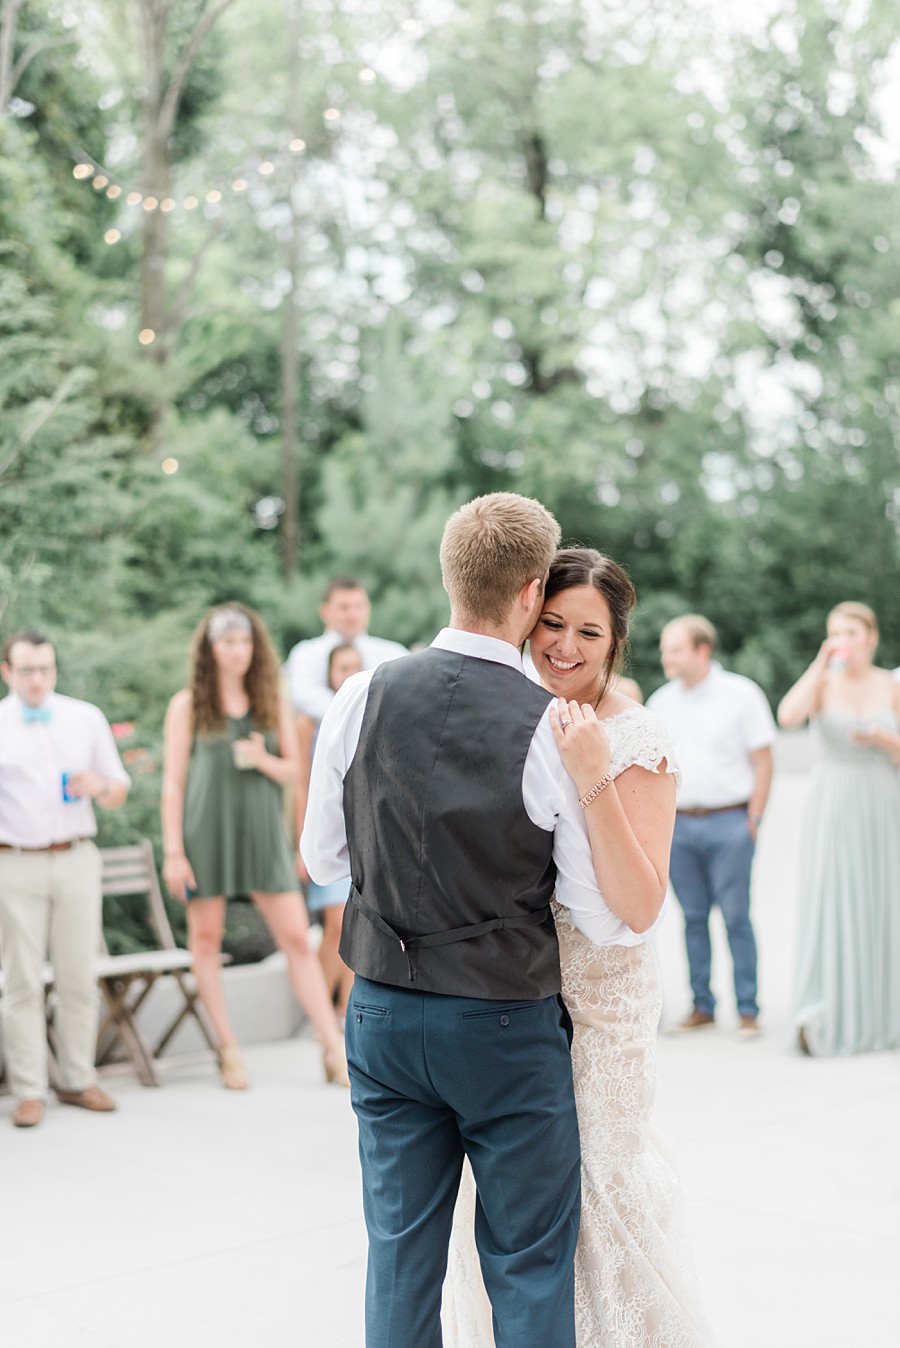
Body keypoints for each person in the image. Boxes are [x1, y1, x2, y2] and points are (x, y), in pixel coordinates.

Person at [303, 493, 632, 1348]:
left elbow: (323, 862)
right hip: (500, 1030)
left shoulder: (362, 691)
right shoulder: (550, 729)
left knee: (400, 1257)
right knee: (526, 1263)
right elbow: (598, 915)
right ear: (531, 594)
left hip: (377, 1009)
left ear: (450, 576)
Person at [443, 548, 714, 1348]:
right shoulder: (512, 714)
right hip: (513, 1002)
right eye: (552, 623)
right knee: (507, 1199)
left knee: (601, 1191)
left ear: (616, 638)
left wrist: (591, 771)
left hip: (603, 1007)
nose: (564, 645)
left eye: (588, 632)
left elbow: (638, 905)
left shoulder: (636, 736)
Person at [161, 603, 347, 1091]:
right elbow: (174, 785)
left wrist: (263, 761)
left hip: (263, 836)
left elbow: (295, 773)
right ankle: (227, 1047)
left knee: (295, 940)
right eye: (227, 641)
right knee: (204, 941)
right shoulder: (188, 705)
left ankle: (332, 1046)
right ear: (210, 648)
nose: (237, 651)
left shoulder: (271, 701)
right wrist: (174, 851)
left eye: (244, 641)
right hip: (207, 835)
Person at [0, 630, 130, 1129]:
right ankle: (29, 1090)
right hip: (14, 863)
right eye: (27, 669)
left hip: (76, 857)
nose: (37, 679)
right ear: (8, 671)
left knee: (79, 974)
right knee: (22, 981)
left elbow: (119, 788)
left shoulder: (84, 717)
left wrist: (100, 787)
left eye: (45, 669)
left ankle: (77, 1079)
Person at [777, 601, 900, 1056]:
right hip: (834, 799)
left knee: (882, 898)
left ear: (871, 636)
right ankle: (825, 1008)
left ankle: (883, 1012)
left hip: (882, 801)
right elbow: (787, 716)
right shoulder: (823, 683)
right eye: (834, 633)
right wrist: (819, 662)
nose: (841, 640)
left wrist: (881, 737)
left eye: (850, 631)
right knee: (837, 897)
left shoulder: (891, 684)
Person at [647, 615, 775, 1037]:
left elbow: (763, 759)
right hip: (680, 826)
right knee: (694, 918)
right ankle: (702, 1005)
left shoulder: (742, 695)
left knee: (737, 917)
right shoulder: (661, 702)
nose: (666, 657)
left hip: (730, 822)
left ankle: (748, 1009)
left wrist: (753, 818)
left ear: (702, 651)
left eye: (675, 649)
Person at [295, 641, 362, 1018]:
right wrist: (299, 841)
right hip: (324, 830)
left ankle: (344, 1010)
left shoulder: (370, 713)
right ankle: (321, 1009)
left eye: (355, 666)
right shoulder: (310, 721)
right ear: (330, 675)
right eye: (342, 668)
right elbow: (301, 783)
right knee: (335, 922)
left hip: (361, 833)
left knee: (355, 922)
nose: (348, 674)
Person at [285, 576, 406, 721]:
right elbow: (304, 695)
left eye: (359, 606)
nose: (353, 615)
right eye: (344, 607)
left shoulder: (393, 653)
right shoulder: (305, 653)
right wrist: (353, 715)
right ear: (325, 611)